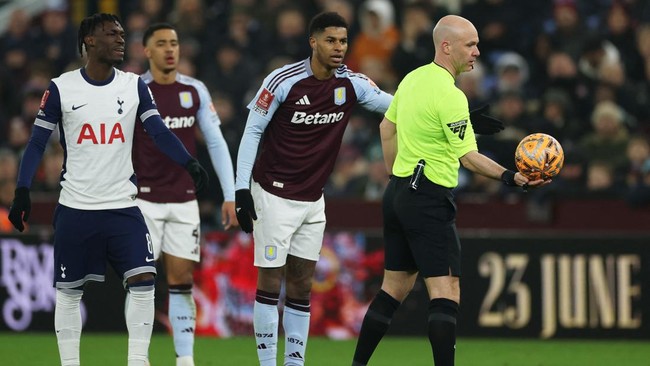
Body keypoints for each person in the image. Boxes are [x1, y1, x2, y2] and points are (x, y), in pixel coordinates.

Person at [234, 12, 504, 366]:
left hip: (313, 200)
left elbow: (404, 108)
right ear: (313, 42)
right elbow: (253, 130)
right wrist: (240, 190)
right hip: (272, 193)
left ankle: (294, 363)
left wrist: (464, 117)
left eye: (344, 41)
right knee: (270, 282)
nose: (339, 48)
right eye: (331, 40)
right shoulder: (283, 81)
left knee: (301, 285)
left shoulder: (353, 84)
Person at [7, 13, 208, 366]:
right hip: (75, 207)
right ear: (89, 41)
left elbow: (158, 131)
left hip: (123, 207)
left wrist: (188, 162)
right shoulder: (61, 87)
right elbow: (37, 143)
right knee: (69, 293)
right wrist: (22, 190)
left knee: (145, 280)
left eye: (121, 33)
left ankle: (137, 361)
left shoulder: (133, 86)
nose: (119, 39)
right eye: (110, 34)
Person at [350, 15, 548, 366]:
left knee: (393, 289)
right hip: (428, 198)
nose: (477, 51)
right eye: (470, 44)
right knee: (446, 292)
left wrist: (399, 174)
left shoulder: (413, 79)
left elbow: (386, 127)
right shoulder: (450, 93)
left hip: (397, 194)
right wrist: (510, 177)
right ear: (446, 46)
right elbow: (468, 158)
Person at [134, 23, 238, 366]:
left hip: (183, 200)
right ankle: (138, 358)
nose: (170, 49)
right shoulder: (134, 90)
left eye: (174, 43)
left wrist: (230, 193)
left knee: (181, 279)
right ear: (146, 51)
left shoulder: (194, 90)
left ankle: (185, 360)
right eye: (161, 43)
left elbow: (216, 141)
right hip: (143, 200)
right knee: (142, 280)